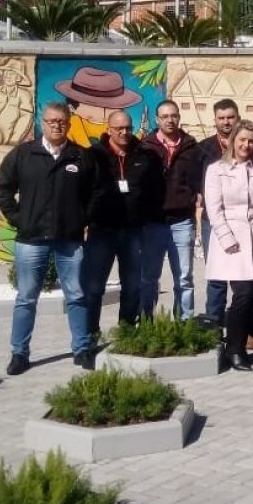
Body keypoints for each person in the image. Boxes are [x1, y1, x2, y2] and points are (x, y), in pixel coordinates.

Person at [0, 101, 97, 375]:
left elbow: (95, 194)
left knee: (76, 295)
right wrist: (20, 219)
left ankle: (82, 348)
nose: (57, 125)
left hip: (69, 239)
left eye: (62, 121)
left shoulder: (81, 157)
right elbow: (3, 190)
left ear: (69, 123)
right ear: (43, 123)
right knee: (26, 298)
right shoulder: (23, 155)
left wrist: (81, 219)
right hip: (30, 240)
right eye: (52, 121)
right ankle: (19, 353)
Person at [82, 109, 164, 343]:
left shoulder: (145, 156)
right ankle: (90, 335)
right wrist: (86, 219)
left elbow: (155, 192)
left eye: (128, 127)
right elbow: (82, 191)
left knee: (132, 286)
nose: (124, 132)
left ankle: (125, 333)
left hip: (133, 232)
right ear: (109, 130)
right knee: (94, 287)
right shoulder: (93, 156)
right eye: (119, 128)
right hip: (102, 231)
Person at [203, 120, 253, 371]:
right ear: (233, 140)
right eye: (242, 139)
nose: (246, 144)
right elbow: (214, 208)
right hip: (231, 239)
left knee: (252, 291)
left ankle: (245, 339)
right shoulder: (216, 170)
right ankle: (233, 348)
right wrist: (226, 237)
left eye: (251, 141)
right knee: (243, 293)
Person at [140, 99, 202, 318]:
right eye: (165, 116)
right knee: (148, 278)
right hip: (153, 223)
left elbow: (199, 180)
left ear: (179, 117)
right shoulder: (145, 147)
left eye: (173, 115)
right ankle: (144, 322)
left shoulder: (192, 147)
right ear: (157, 120)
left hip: (182, 221)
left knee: (184, 278)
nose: (170, 120)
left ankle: (184, 325)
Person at [199, 99, 240, 324]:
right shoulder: (204, 147)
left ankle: (239, 320)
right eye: (222, 118)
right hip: (212, 220)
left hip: (240, 219)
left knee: (240, 274)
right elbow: (197, 180)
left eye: (230, 117)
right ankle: (213, 321)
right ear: (214, 120)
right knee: (216, 272)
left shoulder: (247, 145)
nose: (226, 122)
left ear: (238, 118)